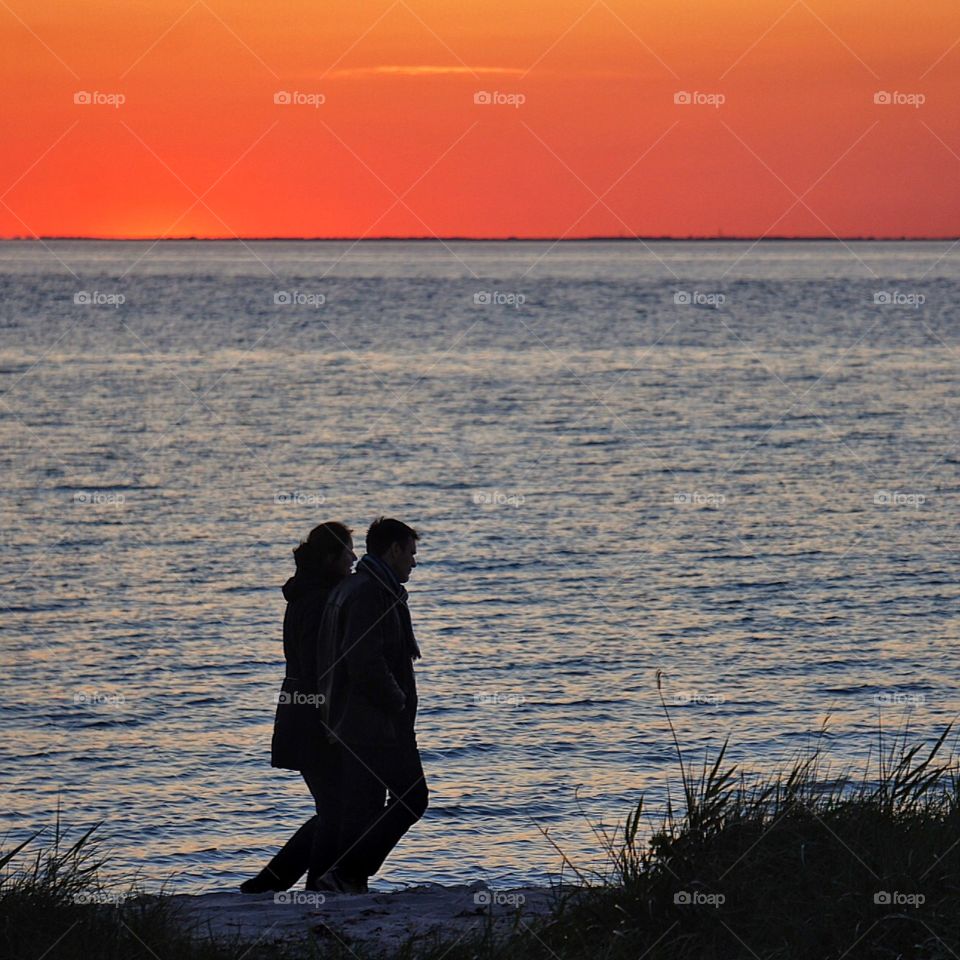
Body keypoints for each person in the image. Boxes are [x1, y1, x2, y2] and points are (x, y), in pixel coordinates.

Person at [240, 521, 357, 894]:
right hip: (312, 716)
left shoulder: (310, 594)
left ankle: (270, 883)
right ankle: (314, 886)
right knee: (337, 809)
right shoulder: (320, 600)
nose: (354, 557)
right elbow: (317, 666)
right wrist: (331, 718)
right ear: (329, 558)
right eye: (347, 551)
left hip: (302, 710)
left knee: (334, 807)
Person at [314, 517, 427, 893]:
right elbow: (364, 660)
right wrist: (396, 702)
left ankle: (345, 881)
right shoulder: (369, 591)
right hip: (374, 722)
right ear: (393, 549)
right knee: (412, 796)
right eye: (410, 552)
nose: (414, 561)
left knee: (362, 806)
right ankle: (345, 874)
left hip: (357, 720)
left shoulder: (363, 587)